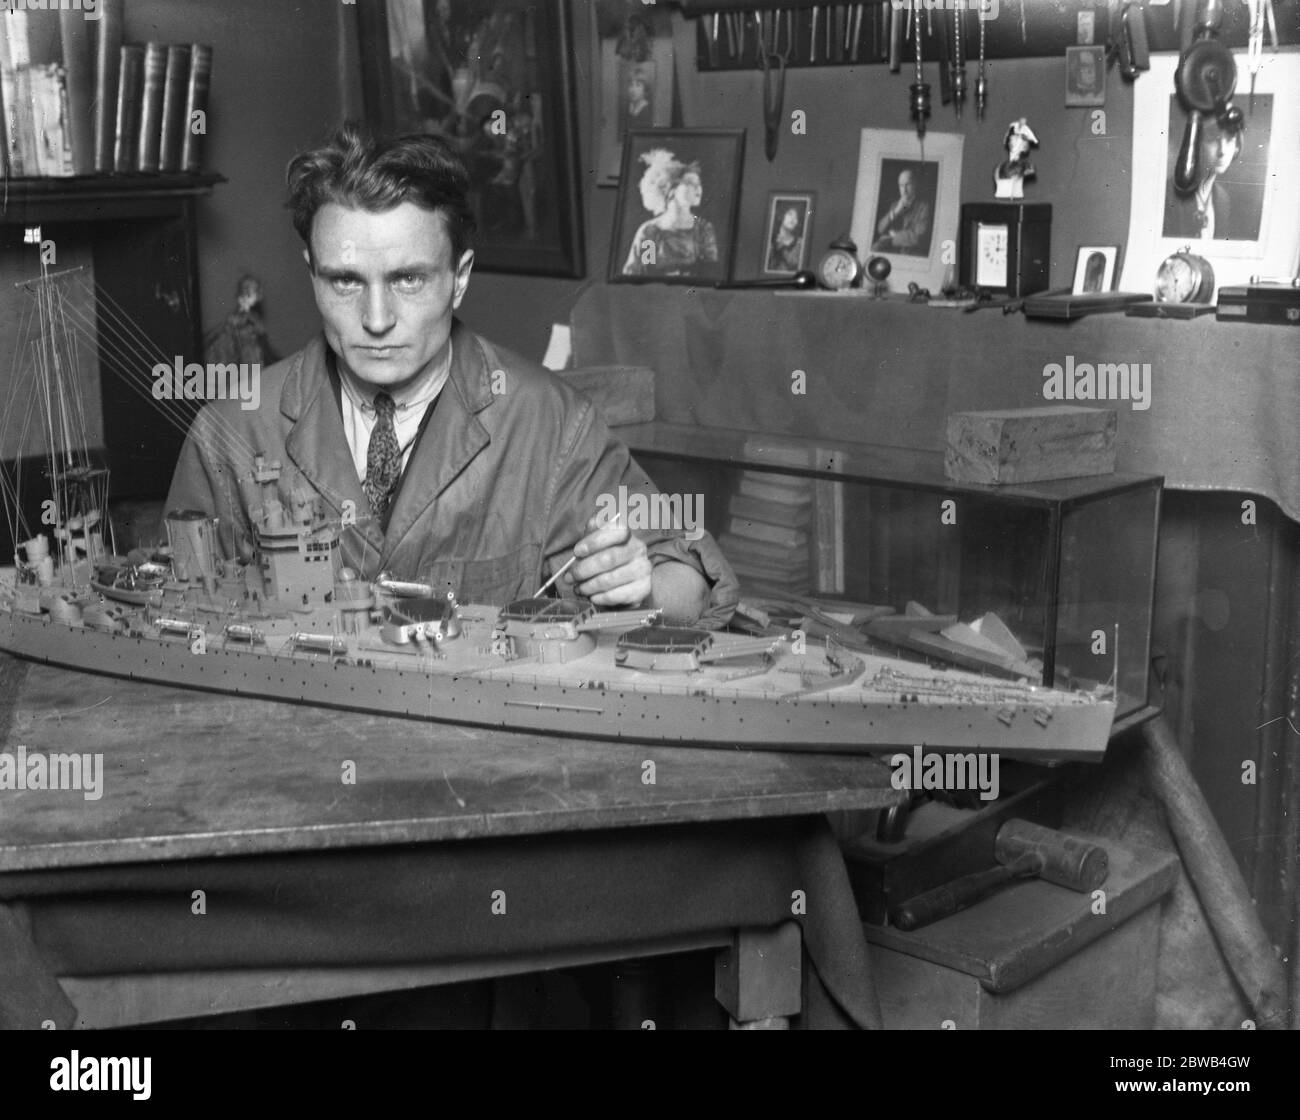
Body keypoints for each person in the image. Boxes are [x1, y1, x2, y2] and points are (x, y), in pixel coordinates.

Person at [166, 124, 735, 626]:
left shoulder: (551, 423)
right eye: (346, 281)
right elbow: (172, 612)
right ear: (312, 272)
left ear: (459, 277)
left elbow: (691, 585)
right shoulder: (233, 428)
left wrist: (640, 587)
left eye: (408, 279)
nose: (377, 319)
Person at [621, 149, 719, 277]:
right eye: (690, 183)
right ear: (671, 189)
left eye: (699, 184)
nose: (698, 188)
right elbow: (645, 272)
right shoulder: (651, 231)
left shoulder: (703, 229)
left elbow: (710, 273)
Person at [1162, 115, 1247, 241]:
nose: (1222, 151)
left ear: (1237, 147)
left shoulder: (1223, 199)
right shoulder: (1168, 195)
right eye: (1213, 139)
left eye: (1229, 139)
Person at [872, 168, 931, 255]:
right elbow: (880, 229)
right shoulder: (895, 205)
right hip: (891, 250)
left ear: (915, 185)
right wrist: (895, 211)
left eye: (908, 185)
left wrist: (893, 237)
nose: (904, 190)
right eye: (901, 185)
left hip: (911, 253)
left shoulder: (924, 207)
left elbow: (918, 237)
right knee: (875, 249)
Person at [994, 118, 1038, 200]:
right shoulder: (1000, 167)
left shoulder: (1027, 167)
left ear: (1024, 146)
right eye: (1011, 140)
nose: (1013, 143)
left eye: (1017, 140)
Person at [766, 205, 805, 273]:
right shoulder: (769, 239)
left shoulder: (801, 243)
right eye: (790, 214)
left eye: (796, 217)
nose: (793, 219)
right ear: (782, 215)